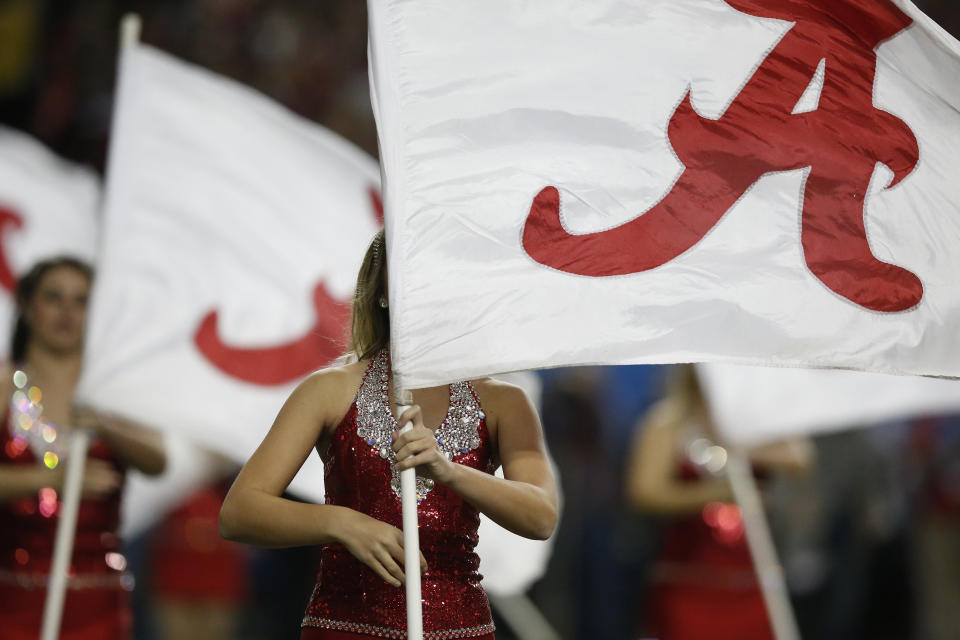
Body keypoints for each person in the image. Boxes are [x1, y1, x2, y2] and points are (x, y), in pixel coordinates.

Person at [220, 230, 558, 640]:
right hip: (344, 627)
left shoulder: (504, 401)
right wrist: (342, 523)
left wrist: (448, 471)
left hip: (461, 630)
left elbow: (540, 517)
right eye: (408, 271)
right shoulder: (328, 390)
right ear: (380, 290)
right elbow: (240, 512)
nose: (423, 287)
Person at [0, 256, 166, 640]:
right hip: (11, 596)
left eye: (81, 301)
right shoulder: (6, 387)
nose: (67, 312)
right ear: (27, 306)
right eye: (53, 297)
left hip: (98, 600)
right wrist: (49, 478)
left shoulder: (112, 393)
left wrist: (106, 424)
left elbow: (157, 460)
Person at [624, 364, 811, 640]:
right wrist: (716, 493)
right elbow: (644, 492)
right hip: (689, 581)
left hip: (754, 580)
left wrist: (740, 445)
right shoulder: (668, 422)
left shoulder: (758, 419)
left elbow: (800, 457)